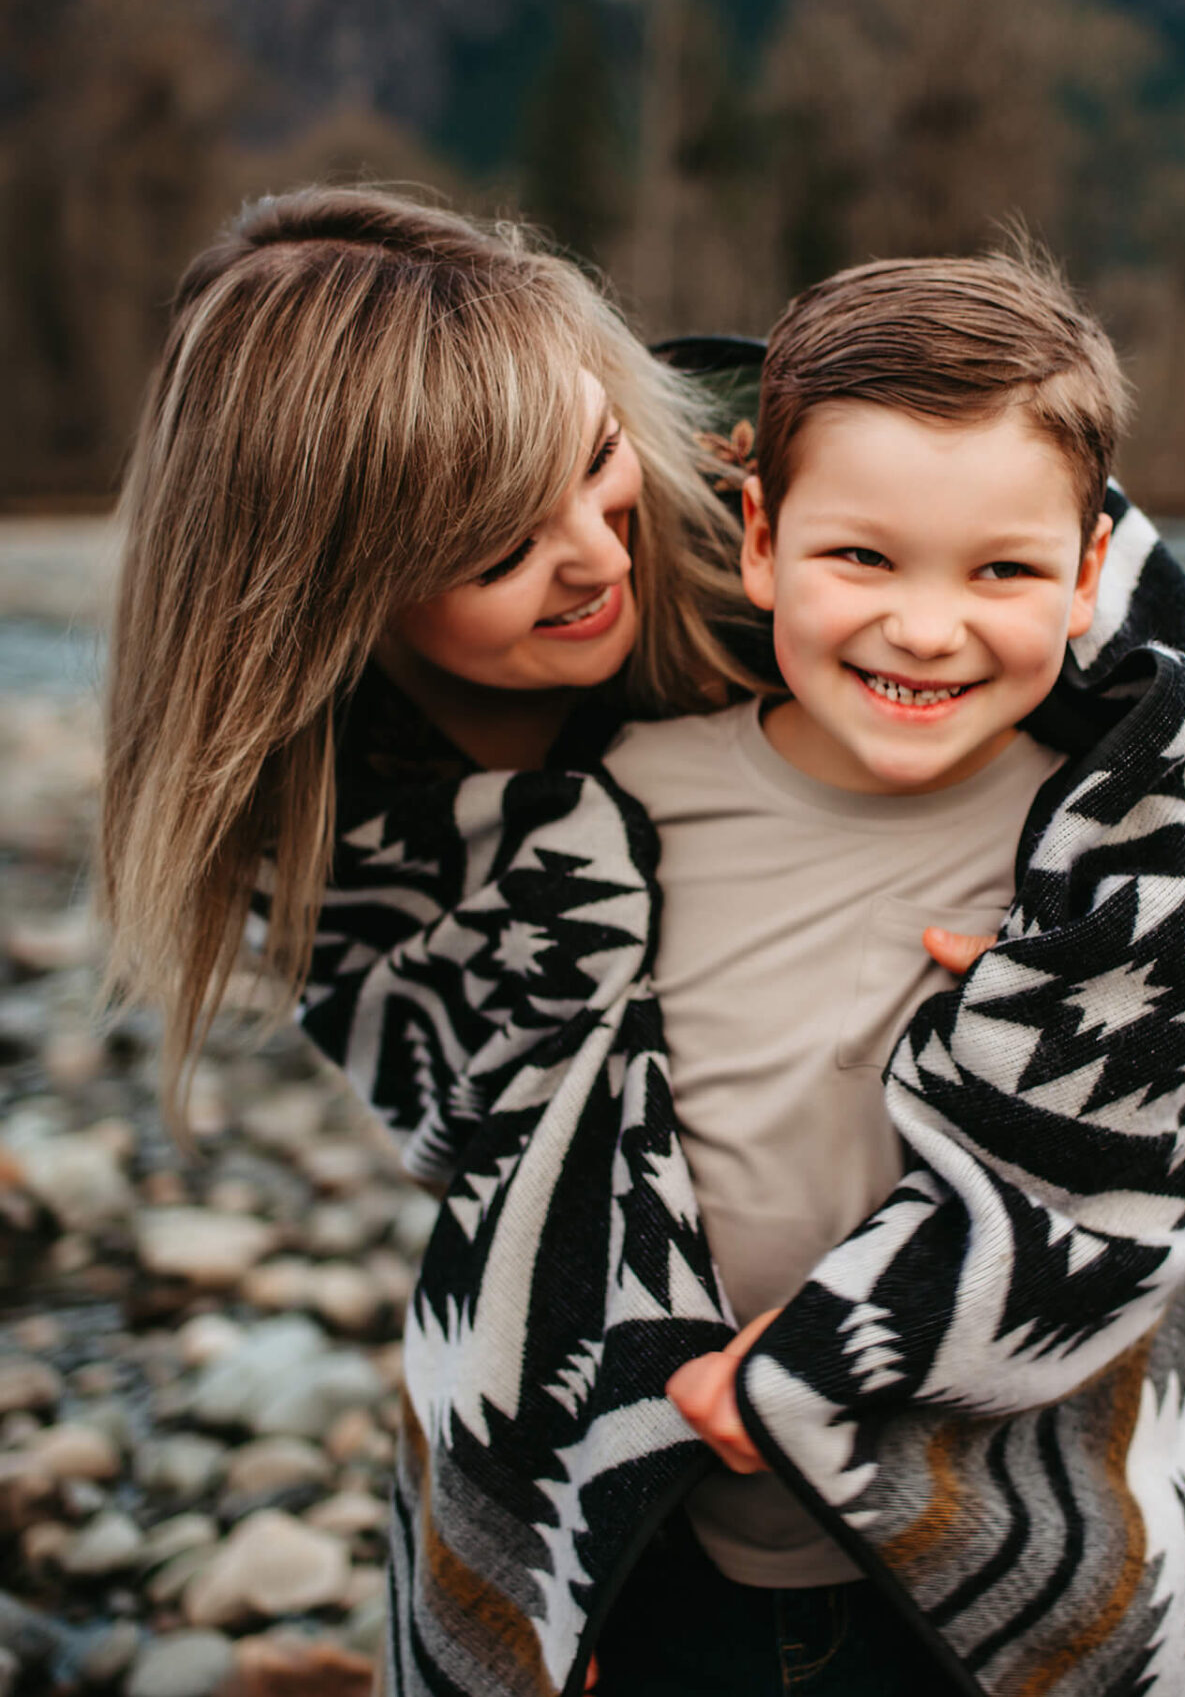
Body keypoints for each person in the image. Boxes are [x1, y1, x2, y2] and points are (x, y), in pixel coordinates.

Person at [298, 253, 1185, 1697]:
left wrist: (842, 1333)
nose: (925, 624)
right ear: (759, 537)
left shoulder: (1117, 866)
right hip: (669, 1592)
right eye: (862, 554)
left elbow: (1161, 1184)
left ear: (1085, 576)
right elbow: (439, 1017)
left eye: (999, 568)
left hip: (1000, 1590)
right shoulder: (624, 796)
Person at [99, 185, 748, 1129]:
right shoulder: (303, 814)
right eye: (506, 552)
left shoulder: (806, 531)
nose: (608, 558)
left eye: (600, 454)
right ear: (328, 601)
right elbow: (482, 1133)